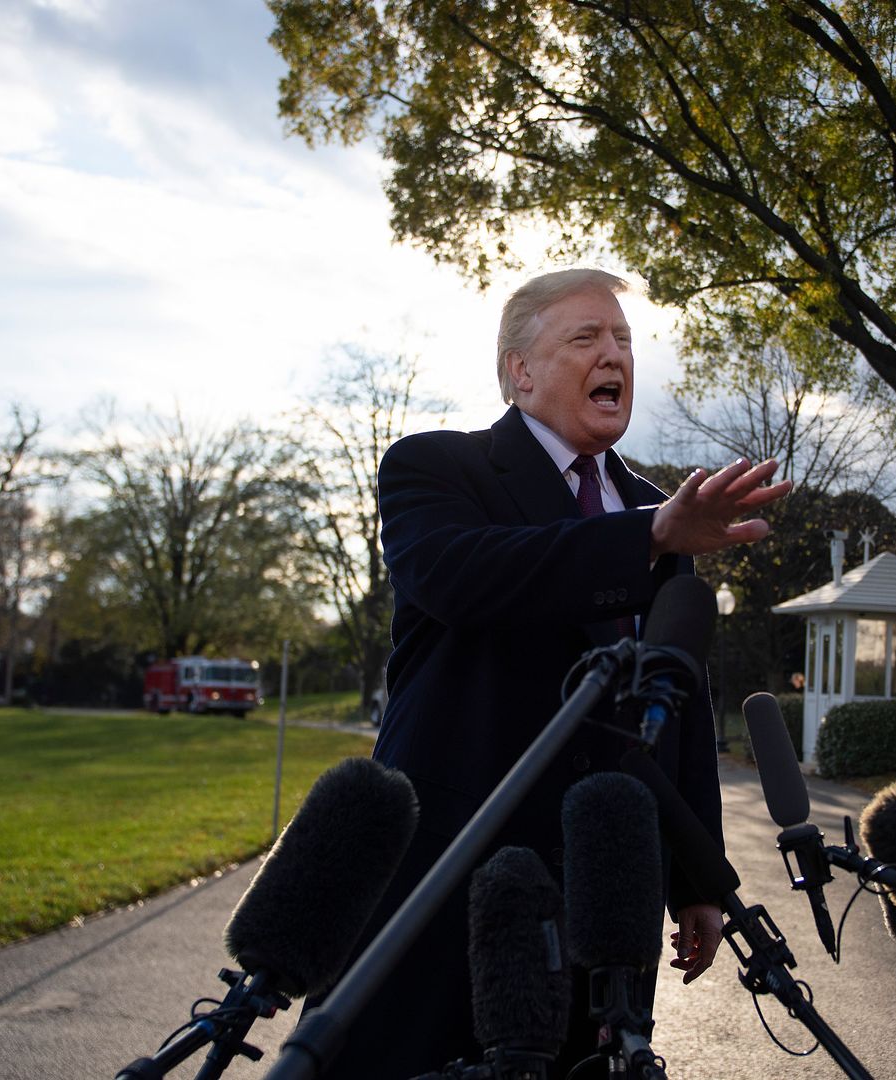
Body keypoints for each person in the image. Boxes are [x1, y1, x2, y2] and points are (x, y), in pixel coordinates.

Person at [309, 268, 791, 1077]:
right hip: (447, 877)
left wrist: (698, 879)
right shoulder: (437, 468)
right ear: (518, 370)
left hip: (603, 897)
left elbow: (682, 706)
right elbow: (463, 578)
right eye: (586, 337)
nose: (616, 354)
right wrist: (646, 538)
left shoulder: (659, 511)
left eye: (625, 341)